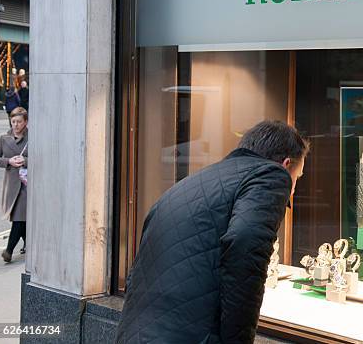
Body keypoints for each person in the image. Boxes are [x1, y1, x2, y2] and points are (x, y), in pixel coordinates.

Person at [116, 120, 308, 344]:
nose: (293, 188)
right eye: (298, 178)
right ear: (286, 164)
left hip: (134, 332)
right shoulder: (271, 175)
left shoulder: (187, 185)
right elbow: (245, 249)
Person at [0, 107, 28, 262]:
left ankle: (8, 251)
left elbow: (44, 156)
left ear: (25, 122)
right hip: (11, 182)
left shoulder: (32, 137)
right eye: (13, 121)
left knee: (19, 217)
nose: (15, 124)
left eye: (19, 121)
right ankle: (29, 243)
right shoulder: (4, 138)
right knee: (19, 217)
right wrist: (8, 161)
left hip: (27, 184)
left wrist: (26, 161)